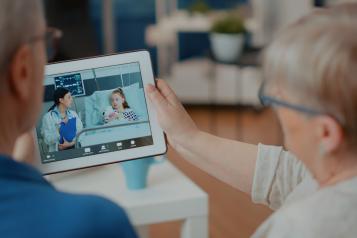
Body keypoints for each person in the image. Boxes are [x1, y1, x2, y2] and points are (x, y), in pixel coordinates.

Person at [146, 3, 357, 238]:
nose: (275, 109)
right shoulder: (338, 171)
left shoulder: (300, 228)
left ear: (326, 133)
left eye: (281, 100)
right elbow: (292, 175)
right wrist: (187, 137)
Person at [0, 1, 137, 237]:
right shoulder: (96, 224)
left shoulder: (79, 115)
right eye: (46, 40)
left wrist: (20, 168)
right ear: (23, 70)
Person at [41, 87, 83, 152]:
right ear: (61, 100)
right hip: (57, 152)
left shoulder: (73, 114)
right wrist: (59, 131)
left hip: (75, 150)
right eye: (69, 97)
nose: (71, 99)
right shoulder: (48, 117)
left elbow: (81, 134)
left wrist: (70, 144)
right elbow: (47, 139)